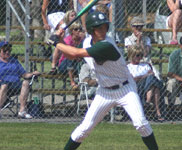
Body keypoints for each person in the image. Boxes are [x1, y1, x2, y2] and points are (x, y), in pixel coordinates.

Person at [49, 11, 158, 150]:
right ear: (90, 30)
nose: (103, 30)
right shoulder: (87, 42)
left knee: (141, 123)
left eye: (104, 27)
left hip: (125, 89)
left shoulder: (107, 45)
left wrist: (57, 42)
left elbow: (75, 52)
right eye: (98, 28)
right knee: (84, 129)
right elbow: (71, 56)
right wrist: (61, 41)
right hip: (104, 92)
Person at [0, 41, 41, 119]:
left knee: (25, 82)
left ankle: (22, 111)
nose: (7, 52)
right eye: (5, 50)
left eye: (9, 50)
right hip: (2, 84)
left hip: (15, 84)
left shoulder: (14, 61)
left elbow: (24, 74)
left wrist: (33, 73)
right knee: (4, 85)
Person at [127, 45, 165, 121]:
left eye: (141, 55)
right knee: (151, 80)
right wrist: (146, 75)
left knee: (153, 82)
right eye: (137, 55)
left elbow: (152, 76)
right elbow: (133, 80)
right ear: (131, 55)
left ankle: (147, 103)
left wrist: (142, 76)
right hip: (137, 87)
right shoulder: (128, 67)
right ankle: (157, 111)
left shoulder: (146, 65)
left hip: (149, 87)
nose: (140, 57)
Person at [57, 22, 84, 89]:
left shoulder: (82, 40)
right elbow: (70, 54)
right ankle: (72, 82)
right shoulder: (68, 40)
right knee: (70, 58)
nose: (78, 31)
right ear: (72, 31)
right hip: (64, 65)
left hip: (76, 62)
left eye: (80, 29)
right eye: (76, 29)